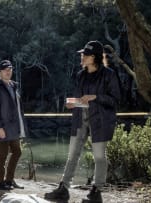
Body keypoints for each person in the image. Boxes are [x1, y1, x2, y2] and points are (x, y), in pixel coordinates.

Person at [44, 41, 121, 203]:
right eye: (82, 54)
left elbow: (115, 100)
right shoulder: (80, 75)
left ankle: (96, 192)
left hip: (100, 122)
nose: (82, 57)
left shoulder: (109, 74)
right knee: (72, 155)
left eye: (84, 55)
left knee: (100, 157)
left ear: (94, 57)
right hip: (80, 120)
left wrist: (96, 97)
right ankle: (63, 189)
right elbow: (81, 100)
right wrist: (73, 103)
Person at [0, 60, 27, 190]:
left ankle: (9, 180)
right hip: (2, 127)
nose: (8, 72)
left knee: (17, 152)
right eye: (5, 70)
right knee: (2, 154)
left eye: (10, 69)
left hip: (14, 128)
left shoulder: (14, 86)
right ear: (0, 72)